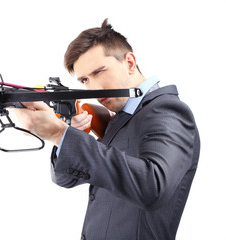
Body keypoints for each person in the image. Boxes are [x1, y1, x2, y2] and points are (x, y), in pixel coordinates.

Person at [14, 19, 200, 240]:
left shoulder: (167, 110)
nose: (94, 88)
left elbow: (153, 187)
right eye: (84, 80)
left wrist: (59, 133)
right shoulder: (120, 116)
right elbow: (65, 179)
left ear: (130, 63)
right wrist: (66, 137)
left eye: (100, 71)